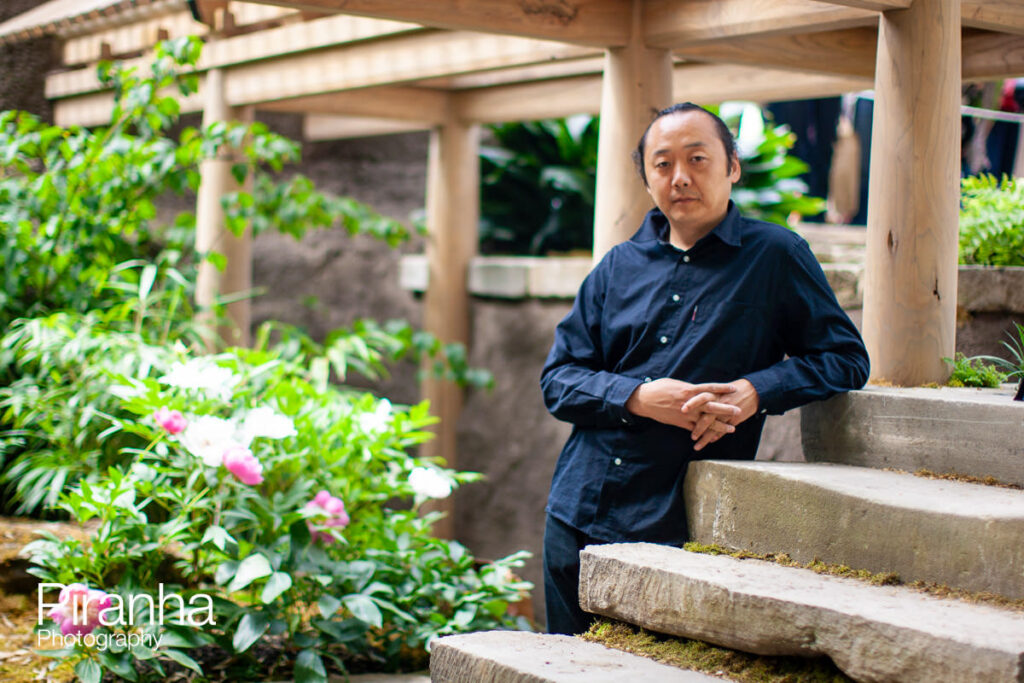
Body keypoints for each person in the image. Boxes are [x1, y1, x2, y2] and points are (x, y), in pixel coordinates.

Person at [539, 102, 870, 636]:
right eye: (662, 164)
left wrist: (755, 391)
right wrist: (638, 397)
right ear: (647, 177)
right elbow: (558, 380)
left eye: (697, 158)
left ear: (732, 167)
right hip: (578, 509)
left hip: (679, 522)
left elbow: (846, 358)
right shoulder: (617, 266)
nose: (680, 177)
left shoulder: (776, 255)